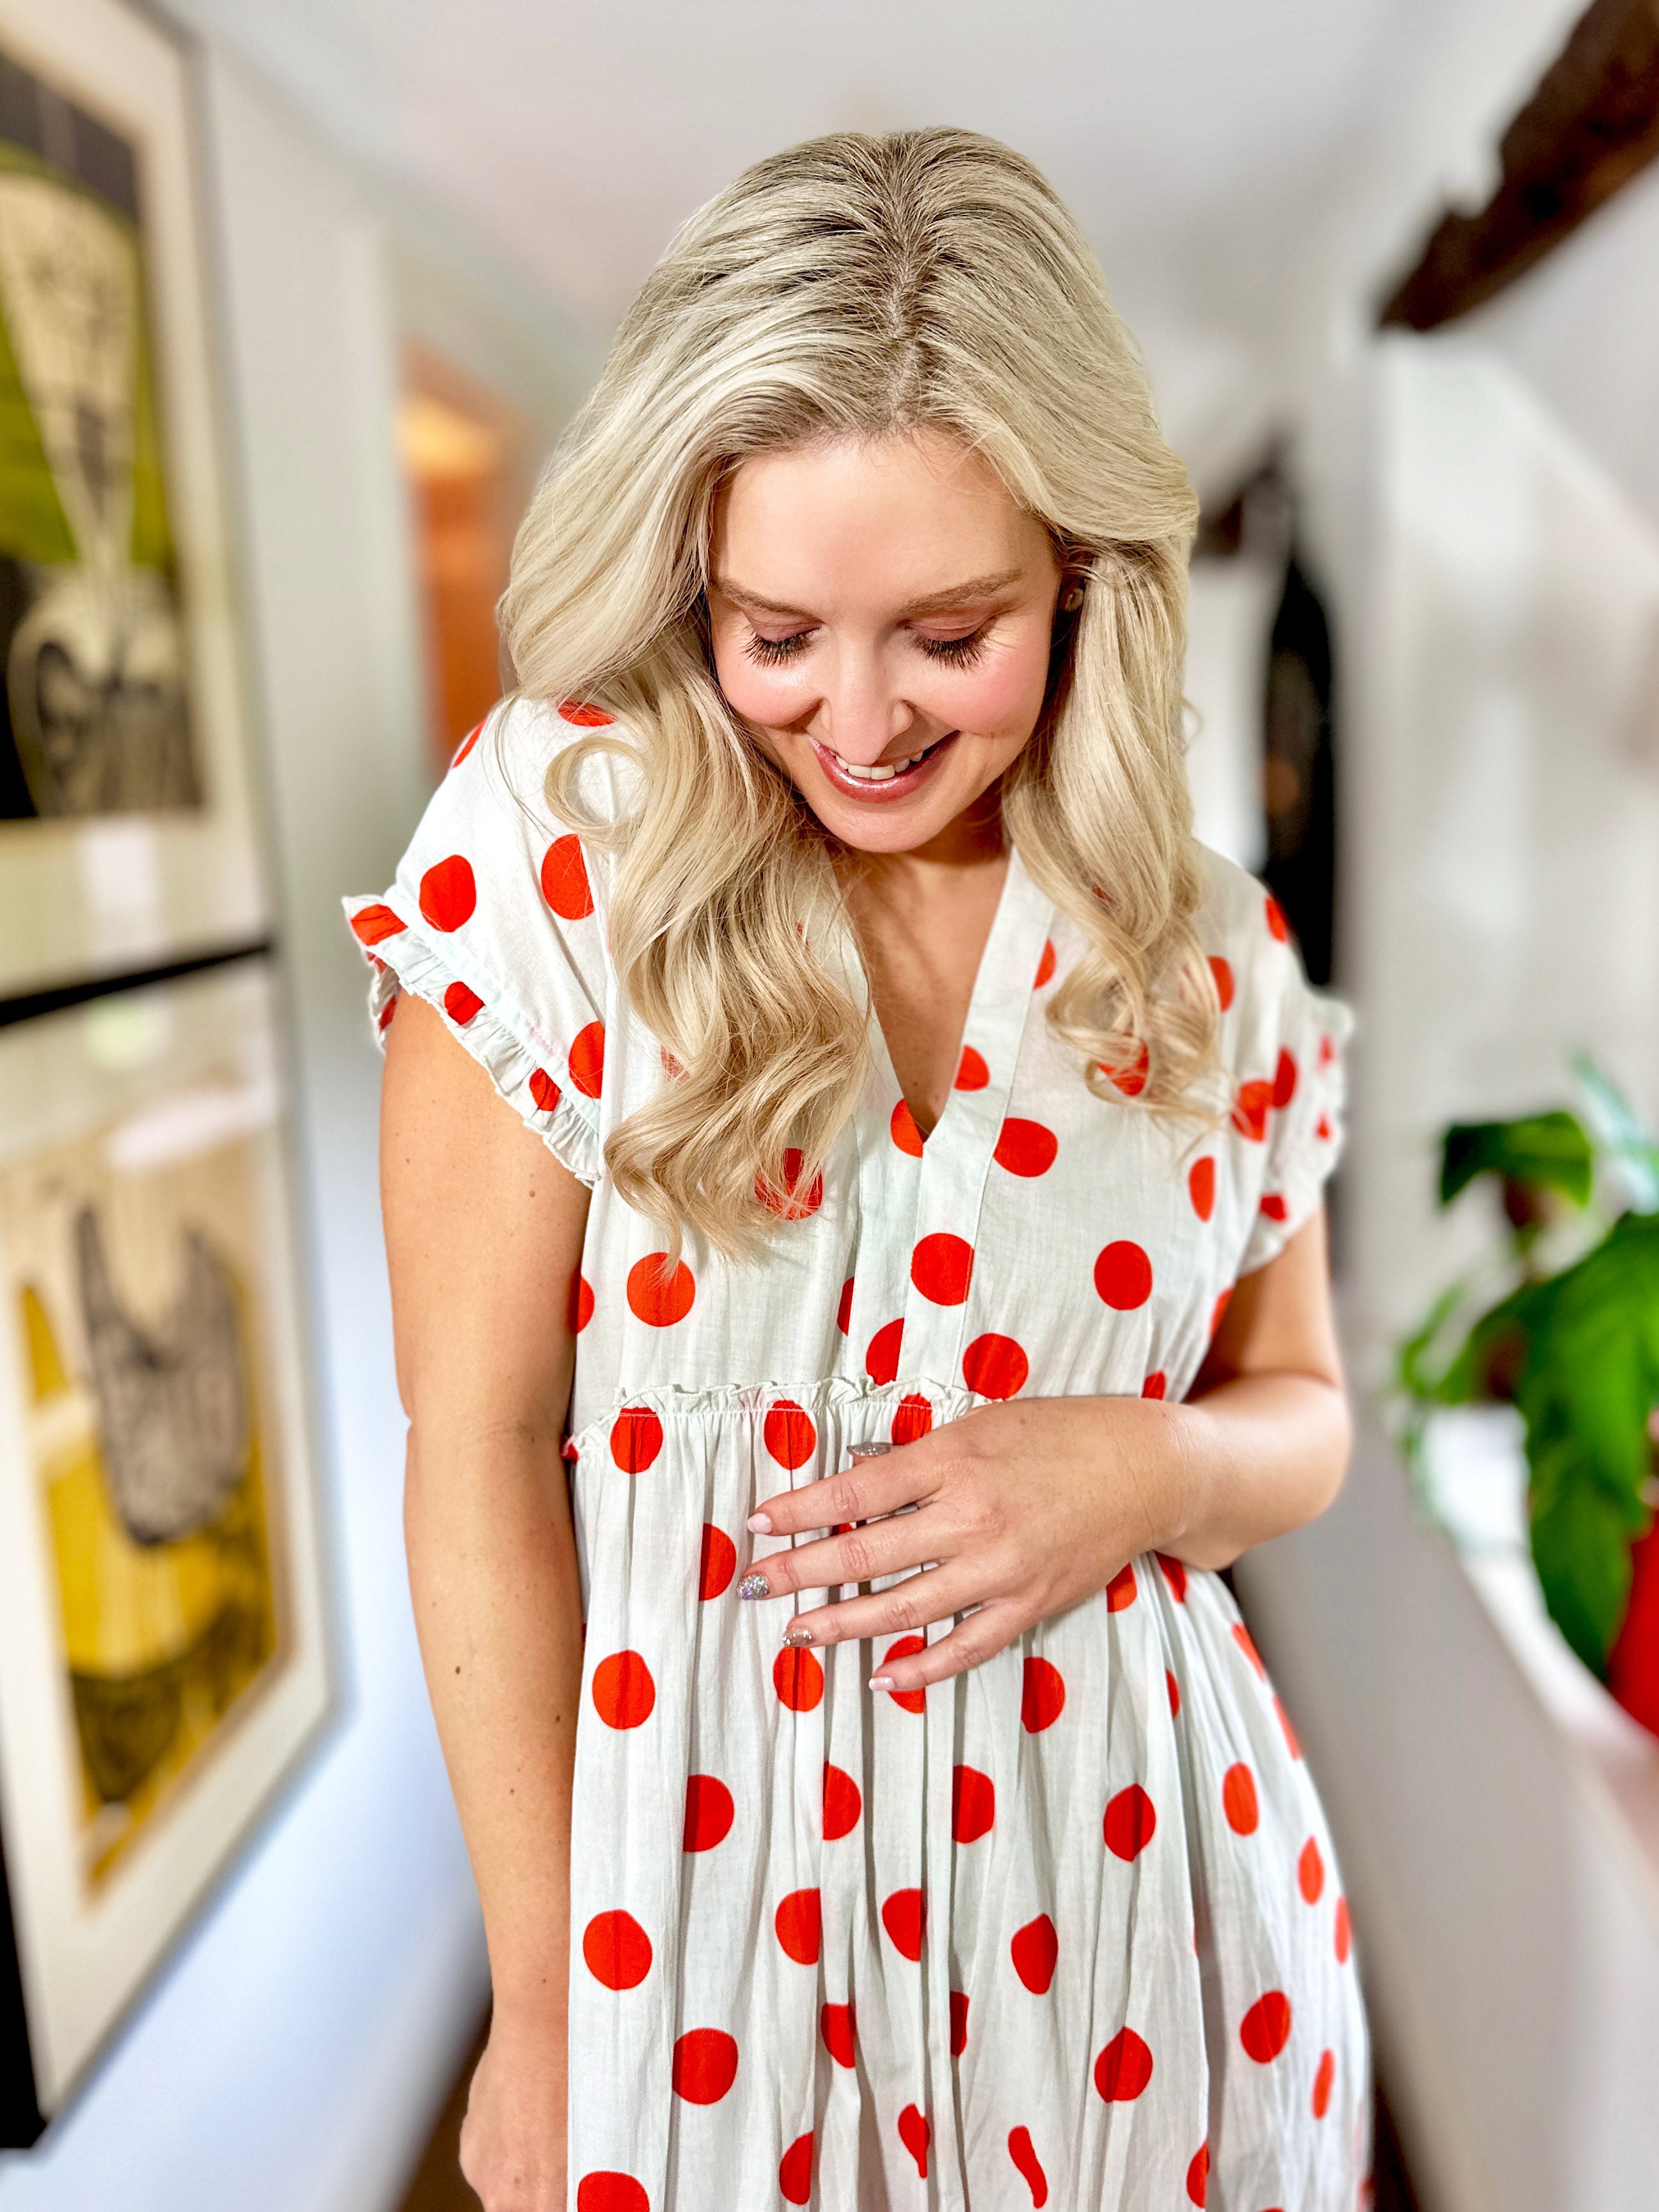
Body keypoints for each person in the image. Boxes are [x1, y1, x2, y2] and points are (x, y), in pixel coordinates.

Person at [350, 127, 1367, 2212]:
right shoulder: (561, 853)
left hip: (1146, 1928)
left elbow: (1307, 1414)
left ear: (1081, 574)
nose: (865, 716)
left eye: (949, 629)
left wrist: (1149, 1470)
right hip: (696, 1948)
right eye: (777, 629)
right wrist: (540, 2013)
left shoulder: (1209, 958)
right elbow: (477, 1443)